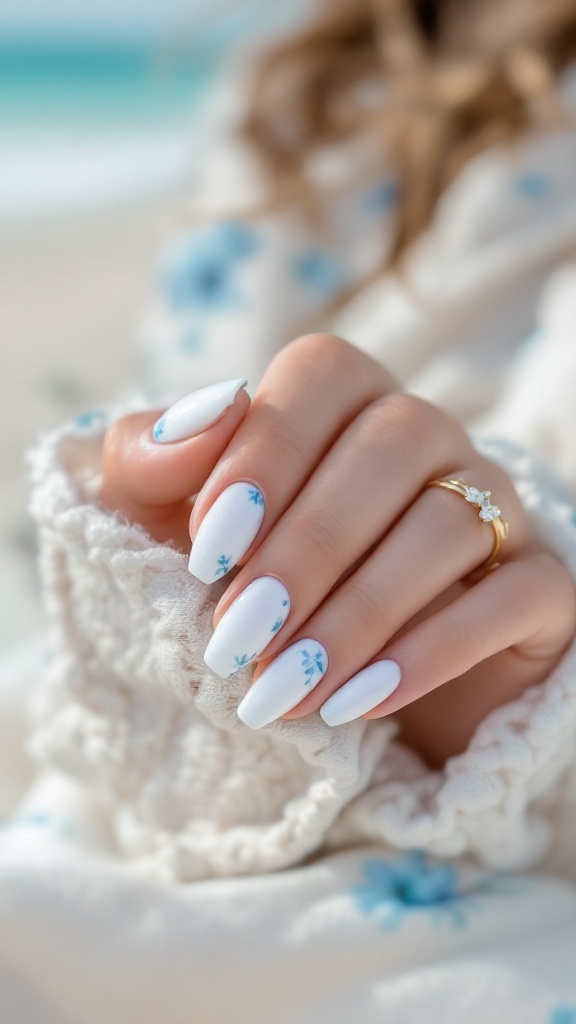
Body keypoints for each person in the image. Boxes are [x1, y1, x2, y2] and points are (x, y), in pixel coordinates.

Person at [2, 1, 576, 1021]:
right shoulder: (282, 103)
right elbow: (179, 417)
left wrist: (489, 696)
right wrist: (148, 533)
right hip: (157, 804)